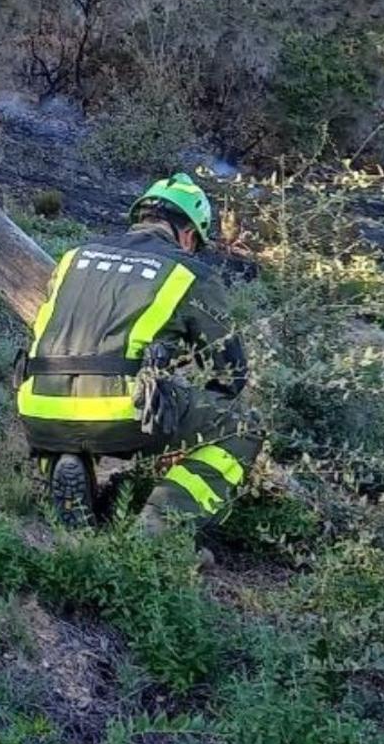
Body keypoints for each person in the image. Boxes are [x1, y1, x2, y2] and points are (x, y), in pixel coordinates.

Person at [15, 172, 255, 537]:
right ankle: (159, 528)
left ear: (140, 217)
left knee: (66, 407)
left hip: (37, 405)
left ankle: (66, 463)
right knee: (243, 427)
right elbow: (230, 372)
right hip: (118, 412)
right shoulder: (189, 271)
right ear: (189, 234)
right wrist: (185, 414)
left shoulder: (74, 256)